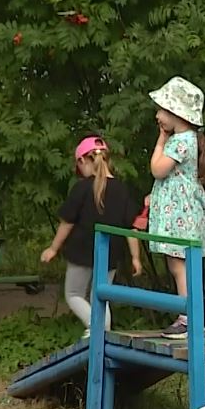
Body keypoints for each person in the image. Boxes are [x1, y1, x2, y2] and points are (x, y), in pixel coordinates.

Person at [41, 136, 143, 339]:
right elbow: (131, 228)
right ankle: (103, 332)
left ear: (82, 161)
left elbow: (67, 222)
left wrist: (53, 248)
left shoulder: (81, 188)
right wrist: (135, 258)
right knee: (101, 296)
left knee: (74, 294)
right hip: (110, 253)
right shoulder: (122, 189)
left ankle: (97, 328)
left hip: (81, 251)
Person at [147, 76, 205, 339]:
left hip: (181, 215)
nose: (158, 115)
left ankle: (187, 318)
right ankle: (193, 316)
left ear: (177, 113)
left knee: (178, 265)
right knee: (184, 265)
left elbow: (157, 170)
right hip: (185, 211)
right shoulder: (191, 139)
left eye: (162, 110)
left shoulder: (179, 141)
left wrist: (160, 141)